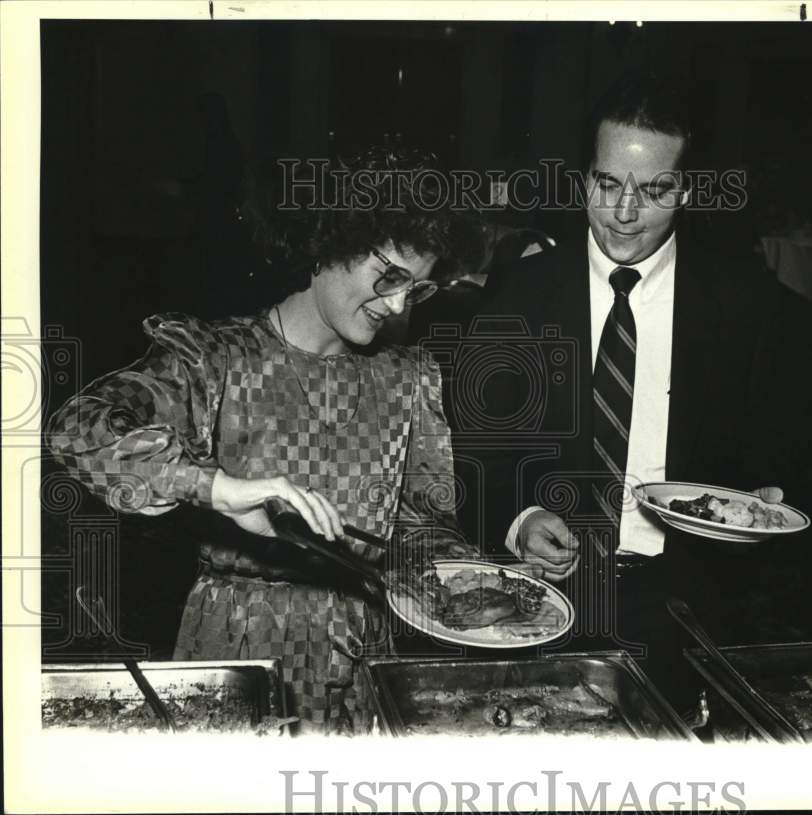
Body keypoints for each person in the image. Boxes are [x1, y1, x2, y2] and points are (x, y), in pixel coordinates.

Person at [47, 147, 484, 734]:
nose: (400, 304)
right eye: (390, 277)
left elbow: (424, 528)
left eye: (419, 289)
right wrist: (216, 487)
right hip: (237, 650)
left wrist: (478, 583)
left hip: (367, 657)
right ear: (331, 242)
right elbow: (78, 429)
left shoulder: (408, 375)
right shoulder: (215, 358)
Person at [451, 73, 790, 707]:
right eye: (608, 185)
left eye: (655, 190)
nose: (625, 213)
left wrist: (765, 494)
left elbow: (775, 447)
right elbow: (474, 447)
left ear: (684, 189)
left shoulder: (744, 303)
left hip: (683, 602)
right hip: (540, 597)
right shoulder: (521, 295)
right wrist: (517, 518)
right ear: (585, 179)